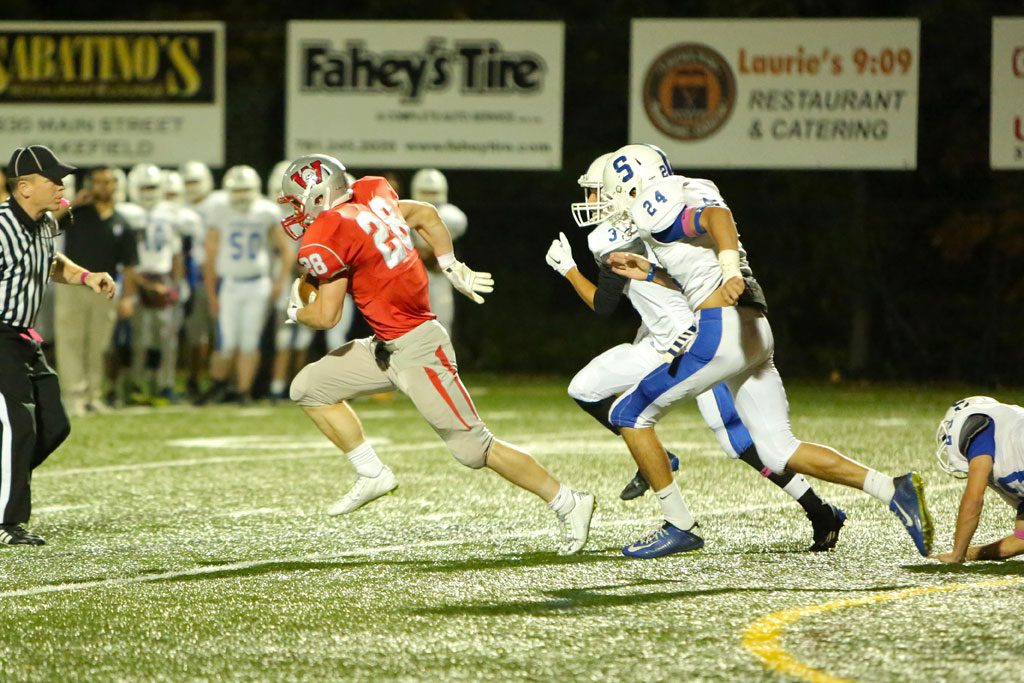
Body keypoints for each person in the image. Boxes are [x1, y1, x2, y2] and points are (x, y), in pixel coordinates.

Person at [599, 144, 932, 558]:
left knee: (627, 413)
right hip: (753, 328)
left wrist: (730, 271)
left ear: (635, 184)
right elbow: (697, 267)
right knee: (777, 449)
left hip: (721, 330)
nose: (611, 202)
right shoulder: (694, 185)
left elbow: (715, 222)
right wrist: (651, 272)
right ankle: (892, 489)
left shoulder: (654, 200)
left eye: (613, 192)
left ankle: (679, 524)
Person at [279, 153, 595, 554]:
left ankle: (570, 501)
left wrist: (296, 311)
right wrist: (451, 265)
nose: (294, 210)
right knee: (308, 387)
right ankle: (372, 472)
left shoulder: (332, 228)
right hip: (385, 346)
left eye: (296, 200)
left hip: (418, 348)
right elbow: (426, 214)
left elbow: (326, 316)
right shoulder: (370, 197)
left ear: (319, 195)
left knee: (474, 449)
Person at [544, 155, 846, 551]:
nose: (591, 199)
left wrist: (568, 270)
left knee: (737, 441)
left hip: (691, 336)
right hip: (654, 339)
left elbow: (604, 304)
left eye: (596, 190)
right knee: (585, 389)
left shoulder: (616, 234)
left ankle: (818, 509)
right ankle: (656, 459)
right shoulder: (646, 215)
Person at [0, 144, 116, 545]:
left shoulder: (45, 223)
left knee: (54, 425)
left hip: (25, 338)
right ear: (25, 186)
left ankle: (5, 487)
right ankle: (6, 522)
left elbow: (50, 263)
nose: (61, 185)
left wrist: (87, 277)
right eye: (53, 179)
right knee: (17, 424)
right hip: (0, 334)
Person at [200, 165, 291, 404]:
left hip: (257, 283)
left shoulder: (266, 211)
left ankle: (243, 391)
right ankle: (219, 384)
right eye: (236, 190)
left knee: (250, 341)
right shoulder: (219, 210)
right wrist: (211, 293)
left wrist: (280, 281)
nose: (241, 196)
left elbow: (285, 250)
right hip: (229, 283)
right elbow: (210, 256)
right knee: (227, 342)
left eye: (245, 190)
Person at [55, 166, 140, 415]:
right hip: (73, 284)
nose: (105, 187)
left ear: (116, 185)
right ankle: (73, 396)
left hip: (105, 289)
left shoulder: (121, 222)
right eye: (99, 182)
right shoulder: (76, 213)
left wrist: (128, 298)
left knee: (98, 345)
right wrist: (73, 201)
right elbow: (46, 221)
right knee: (71, 341)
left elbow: (130, 266)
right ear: (91, 185)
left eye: (109, 182)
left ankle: (94, 394)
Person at [120, 164, 186, 402]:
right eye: (144, 187)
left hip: (162, 277)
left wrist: (176, 284)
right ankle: (136, 384)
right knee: (139, 338)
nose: (148, 192)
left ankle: (164, 384)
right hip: (135, 277)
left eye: (153, 187)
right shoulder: (126, 212)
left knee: (167, 338)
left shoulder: (170, 212)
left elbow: (176, 251)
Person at [932, 396, 1024, 562]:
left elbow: (974, 496)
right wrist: (970, 554)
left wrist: (957, 554)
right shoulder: (1012, 463)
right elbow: (1021, 539)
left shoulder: (976, 423)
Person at [179, 160, 223, 397]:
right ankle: (194, 379)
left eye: (195, 181)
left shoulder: (220, 203)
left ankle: (218, 380)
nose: (191, 187)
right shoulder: (178, 204)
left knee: (220, 333)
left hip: (219, 275)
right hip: (190, 275)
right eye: (187, 182)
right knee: (194, 333)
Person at [409, 169, 468, 334]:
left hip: (440, 276)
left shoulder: (452, 217)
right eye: (425, 191)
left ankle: (444, 360)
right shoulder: (406, 212)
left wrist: (427, 252)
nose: (429, 196)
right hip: (414, 278)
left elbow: (433, 255)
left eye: (433, 192)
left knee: (443, 324)